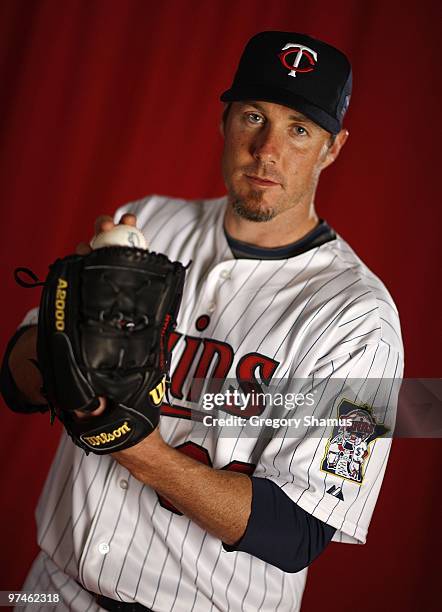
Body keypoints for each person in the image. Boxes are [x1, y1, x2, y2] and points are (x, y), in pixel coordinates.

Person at [1, 31, 403, 611]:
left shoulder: (360, 320)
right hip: (49, 589)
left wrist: (133, 446)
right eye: (253, 116)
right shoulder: (148, 225)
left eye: (298, 129)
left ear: (332, 148)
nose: (267, 150)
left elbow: (297, 533)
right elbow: (16, 381)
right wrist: (62, 338)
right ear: (225, 122)